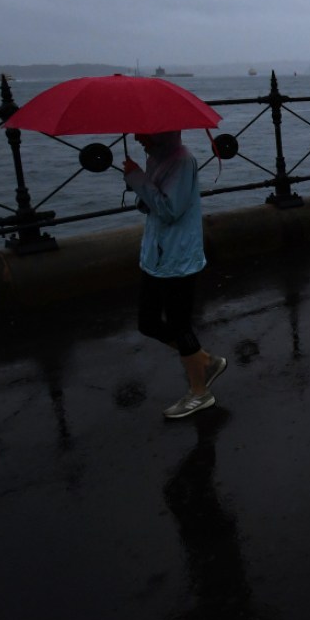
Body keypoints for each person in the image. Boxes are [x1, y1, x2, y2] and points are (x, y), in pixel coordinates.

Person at [124, 130, 226, 419]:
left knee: (180, 325)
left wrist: (137, 179)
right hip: (157, 254)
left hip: (178, 256)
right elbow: (152, 203)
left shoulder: (182, 161)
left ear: (161, 130)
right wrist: (139, 181)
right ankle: (204, 361)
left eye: (143, 132)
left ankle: (200, 392)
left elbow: (170, 210)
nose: (137, 137)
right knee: (148, 322)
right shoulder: (157, 158)